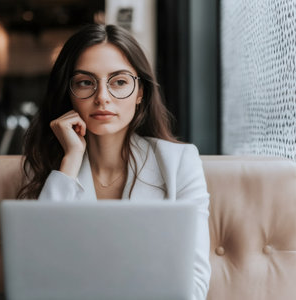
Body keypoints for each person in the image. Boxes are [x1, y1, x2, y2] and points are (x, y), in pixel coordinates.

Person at [19, 24, 211, 299]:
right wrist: (71, 161)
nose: (102, 97)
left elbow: (193, 288)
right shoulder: (47, 167)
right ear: (68, 92)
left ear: (140, 92)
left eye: (119, 81)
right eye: (86, 82)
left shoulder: (179, 162)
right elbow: (36, 275)